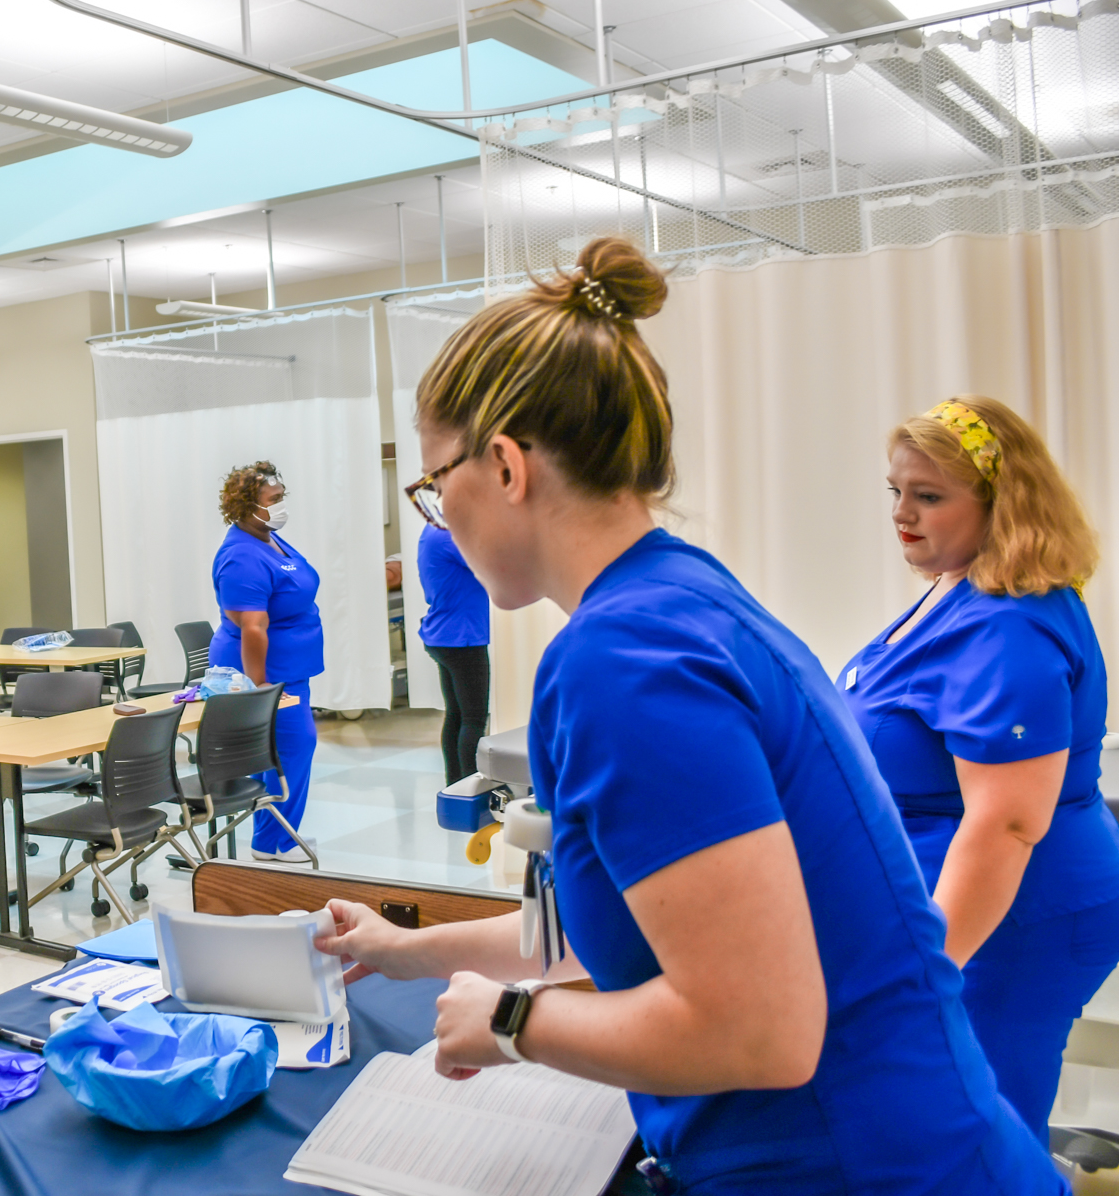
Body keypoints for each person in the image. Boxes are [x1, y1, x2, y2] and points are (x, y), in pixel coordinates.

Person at [316, 238, 1060, 1193]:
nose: (439, 521)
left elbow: (761, 1030)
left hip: (861, 1163)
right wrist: (402, 947)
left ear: (504, 466)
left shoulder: (622, 662)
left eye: (433, 487)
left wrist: (512, 1024)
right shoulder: (677, 596)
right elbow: (640, 920)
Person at [838, 395, 1118, 1140]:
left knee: (978, 1133)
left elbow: (1007, 824)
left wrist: (926, 972)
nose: (903, 512)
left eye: (929, 496)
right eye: (896, 491)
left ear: (1001, 503)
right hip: (974, 904)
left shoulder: (1008, 628)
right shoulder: (957, 584)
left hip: (1018, 916)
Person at [208, 461, 319, 863]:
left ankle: (272, 839)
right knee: (292, 747)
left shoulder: (269, 539)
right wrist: (258, 689)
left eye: (280, 497)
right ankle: (278, 841)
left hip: (290, 669)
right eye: (273, 500)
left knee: (285, 750)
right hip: (266, 673)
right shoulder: (240, 555)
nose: (280, 506)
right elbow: (253, 628)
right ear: (246, 507)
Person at [417, 524, 490, 786]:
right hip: (463, 637)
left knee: (457, 714)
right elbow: (490, 562)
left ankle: (456, 786)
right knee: (474, 718)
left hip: (444, 633)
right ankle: (472, 790)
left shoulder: (431, 530)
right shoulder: (450, 535)